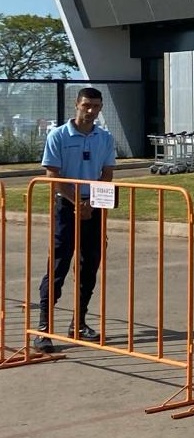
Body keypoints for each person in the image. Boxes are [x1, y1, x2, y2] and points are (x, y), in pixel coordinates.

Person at [35, 87, 117, 352]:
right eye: (86, 106)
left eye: (96, 106)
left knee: (89, 264)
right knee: (58, 266)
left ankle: (79, 322)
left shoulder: (104, 138)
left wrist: (91, 204)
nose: (91, 111)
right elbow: (53, 176)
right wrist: (76, 202)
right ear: (77, 105)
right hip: (66, 206)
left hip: (93, 207)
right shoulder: (58, 135)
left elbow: (107, 174)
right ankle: (44, 328)